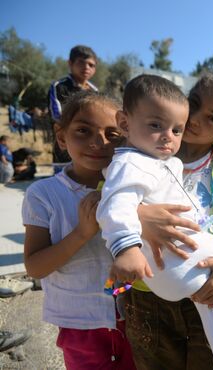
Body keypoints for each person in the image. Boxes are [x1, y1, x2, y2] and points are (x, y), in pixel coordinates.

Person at [107, 73, 213, 370]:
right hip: (147, 295)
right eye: (194, 104)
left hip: (212, 289)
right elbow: (107, 200)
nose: (196, 119)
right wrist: (140, 215)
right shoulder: (140, 153)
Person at [21, 91, 137, 369]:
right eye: (83, 130)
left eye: (113, 134)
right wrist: (82, 234)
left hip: (135, 318)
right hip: (79, 325)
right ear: (61, 137)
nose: (98, 142)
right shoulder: (43, 194)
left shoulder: (132, 190)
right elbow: (35, 268)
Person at [48, 45, 98, 173]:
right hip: (66, 144)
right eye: (81, 62)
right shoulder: (59, 86)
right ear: (70, 63)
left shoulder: (95, 91)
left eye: (91, 65)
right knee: (63, 181)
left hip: (90, 144)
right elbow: (57, 114)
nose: (86, 67)